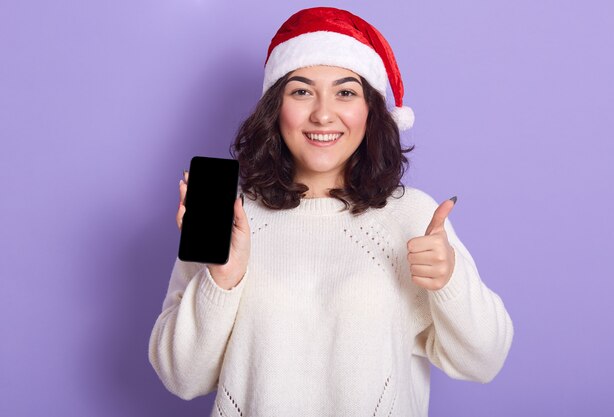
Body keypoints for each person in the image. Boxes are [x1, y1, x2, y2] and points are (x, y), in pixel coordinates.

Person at [149, 6, 513, 417]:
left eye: (345, 92)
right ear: (276, 108)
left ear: (371, 110)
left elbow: (485, 361)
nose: (323, 114)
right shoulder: (231, 218)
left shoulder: (412, 216)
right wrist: (221, 279)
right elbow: (181, 379)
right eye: (302, 91)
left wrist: (449, 282)